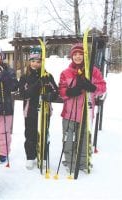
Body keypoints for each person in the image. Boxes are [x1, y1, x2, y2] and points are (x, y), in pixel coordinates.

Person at [58, 43, 106, 172]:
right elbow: (61, 91)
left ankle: (83, 162)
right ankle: (70, 162)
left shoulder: (93, 71)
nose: (78, 57)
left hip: (86, 112)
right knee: (69, 139)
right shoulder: (66, 73)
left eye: (80, 54)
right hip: (69, 113)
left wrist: (93, 88)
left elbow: (103, 87)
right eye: (75, 54)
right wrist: (70, 92)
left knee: (84, 139)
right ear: (71, 56)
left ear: (85, 56)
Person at [18, 46, 59, 170]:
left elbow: (56, 92)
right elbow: (24, 94)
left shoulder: (47, 75)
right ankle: (30, 157)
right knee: (30, 134)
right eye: (33, 61)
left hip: (44, 110)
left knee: (44, 133)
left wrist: (49, 96)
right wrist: (37, 84)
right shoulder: (25, 76)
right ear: (29, 62)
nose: (36, 63)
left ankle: (43, 156)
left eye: (38, 61)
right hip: (30, 110)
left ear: (42, 62)